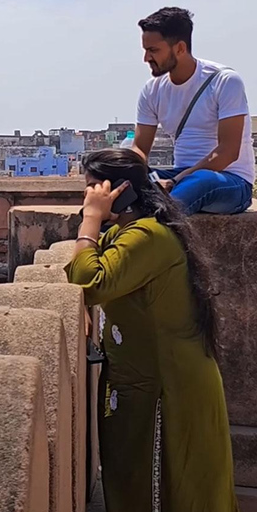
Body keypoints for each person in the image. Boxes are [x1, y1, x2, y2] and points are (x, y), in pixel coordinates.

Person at [67, 148, 238, 511]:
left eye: (95, 187)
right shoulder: (130, 232)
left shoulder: (147, 236)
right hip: (143, 383)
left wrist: (90, 220)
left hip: (168, 391)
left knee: (168, 488)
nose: (90, 195)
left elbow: (87, 280)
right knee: (133, 479)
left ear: (123, 189)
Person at [132, 7, 254, 215]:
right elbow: (139, 149)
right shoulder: (152, 90)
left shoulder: (224, 81)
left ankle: (153, 228)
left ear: (180, 48)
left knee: (200, 180)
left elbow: (228, 152)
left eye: (153, 50)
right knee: (112, 173)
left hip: (229, 181)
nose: (146, 58)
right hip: (181, 176)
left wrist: (175, 181)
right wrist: (128, 171)